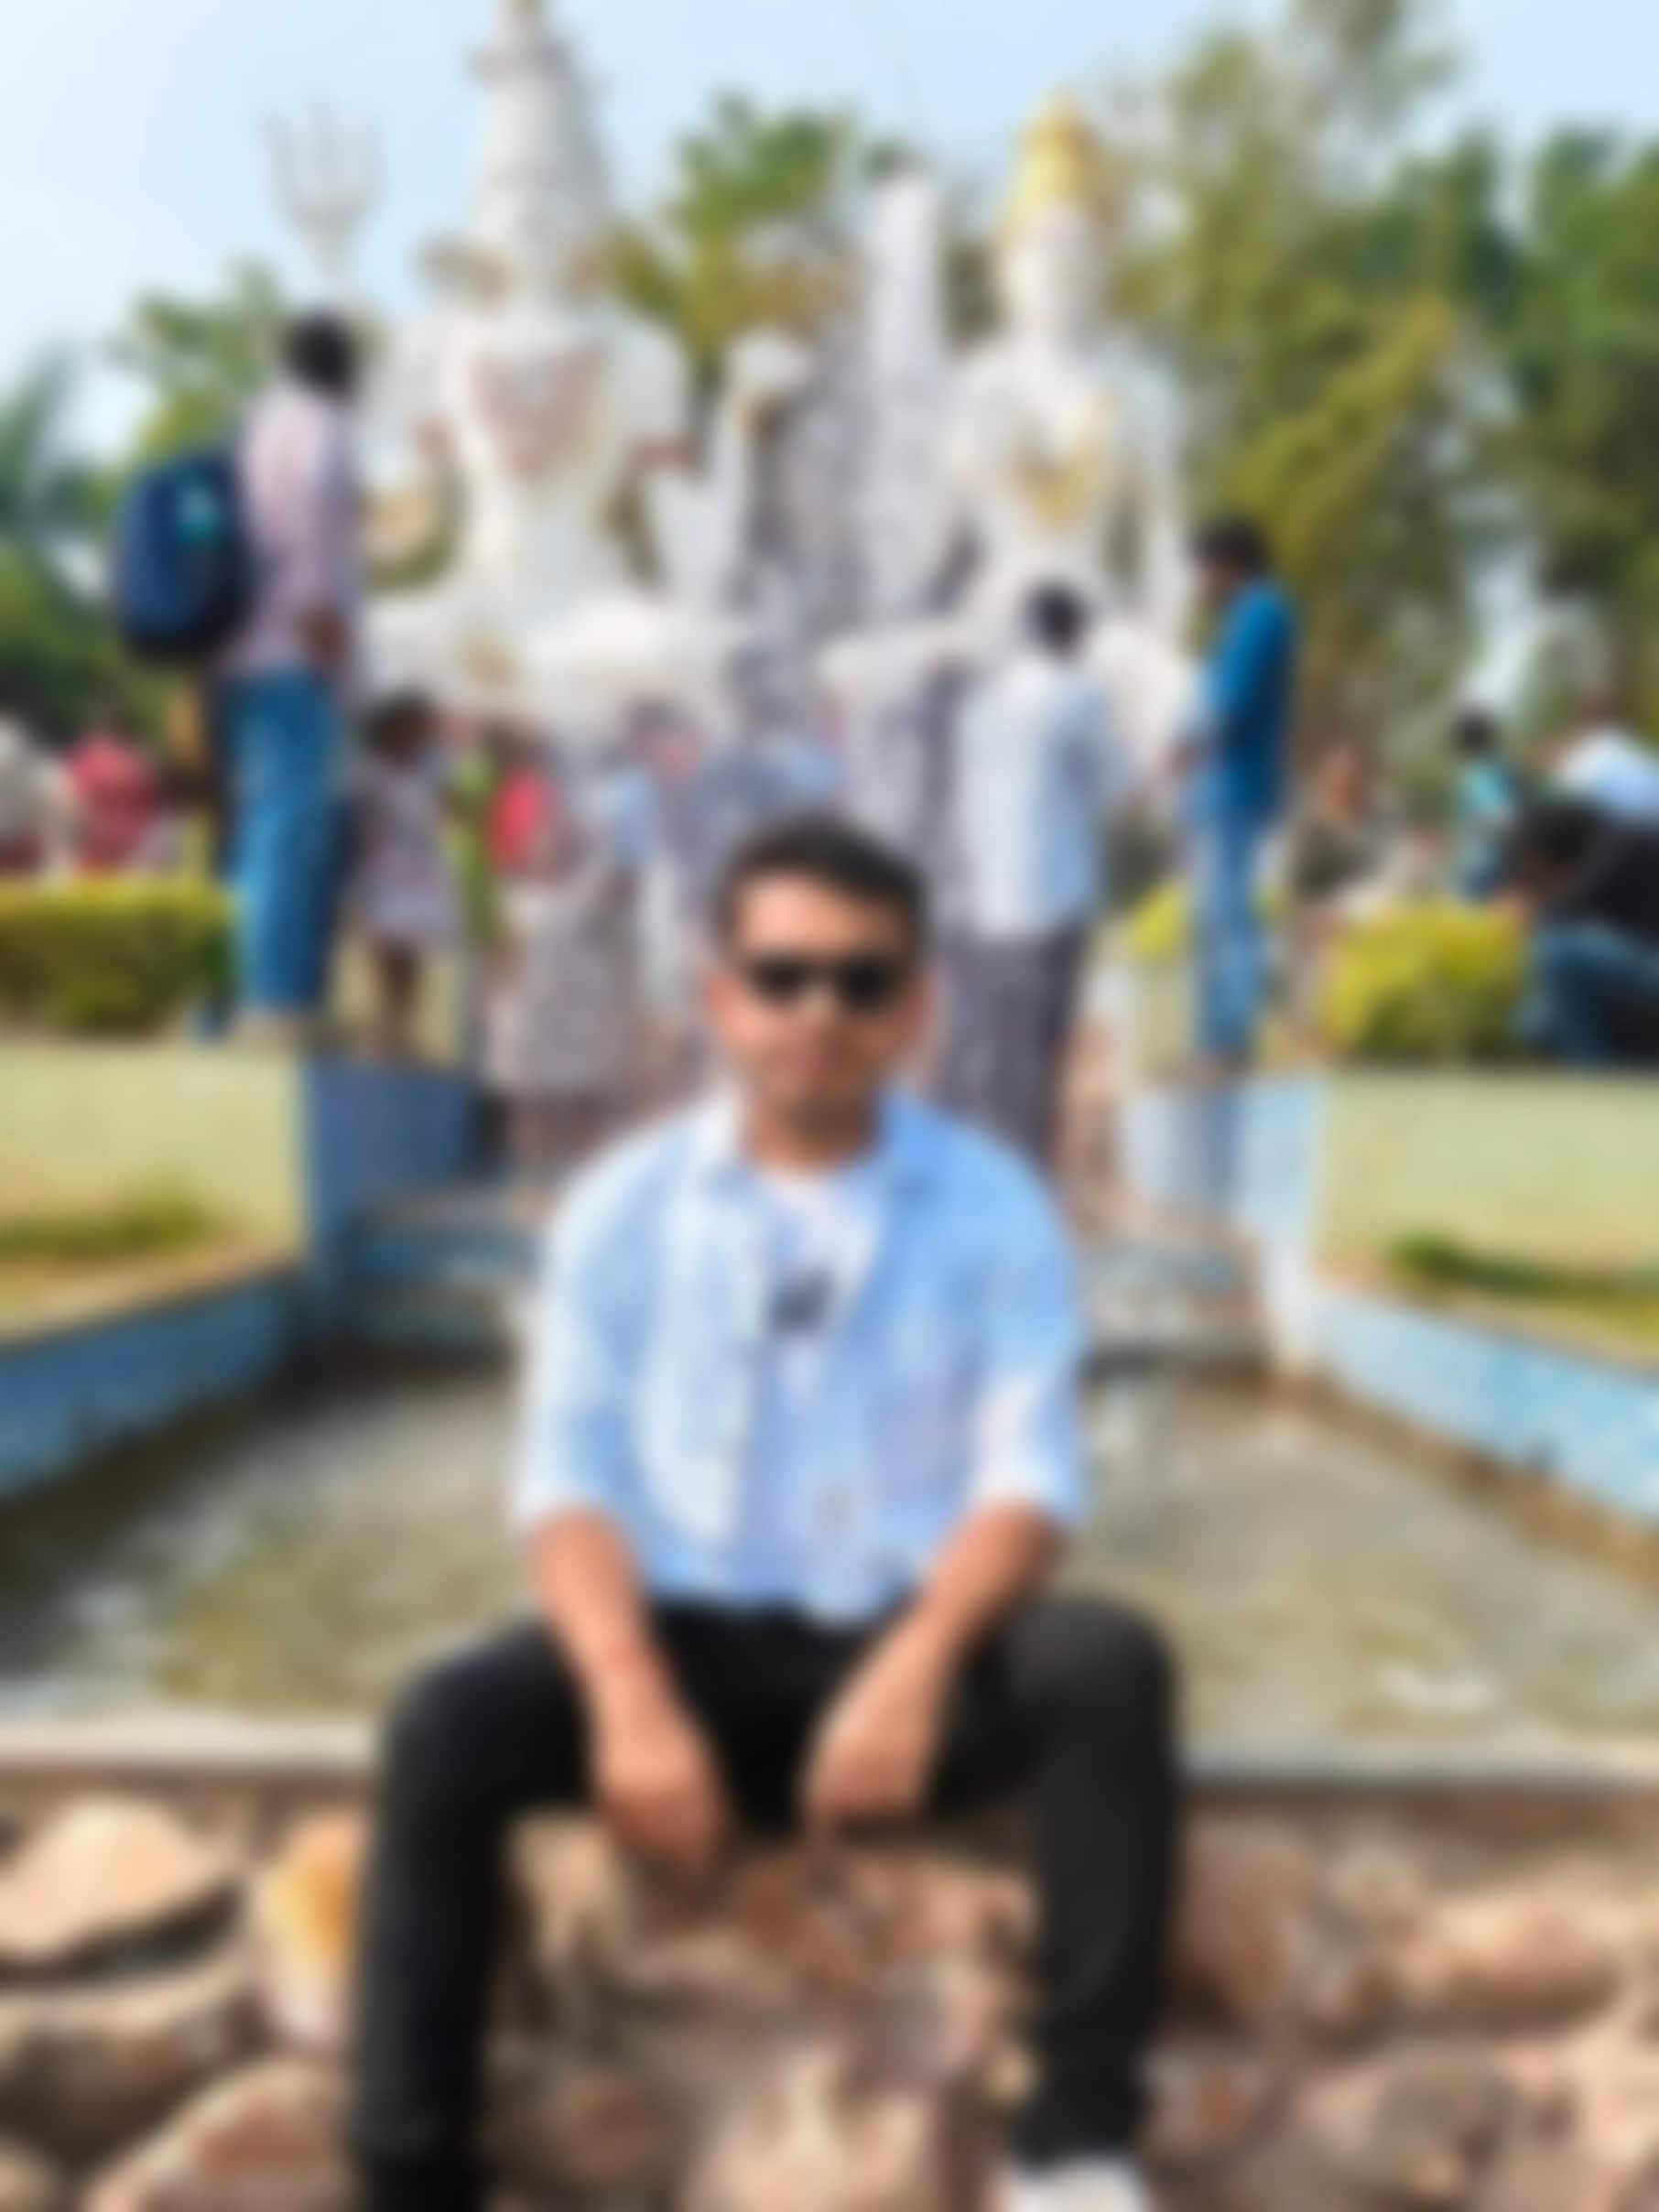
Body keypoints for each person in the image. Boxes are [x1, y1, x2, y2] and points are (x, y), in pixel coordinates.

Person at [351, 816, 1179, 2212]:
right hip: (681, 1657)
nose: (819, 1014)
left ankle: (1076, 2151)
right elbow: (566, 1479)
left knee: (1107, 1666)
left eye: (863, 981)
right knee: (443, 1724)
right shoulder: (621, 1208)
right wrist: (626, 1693)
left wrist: (918, 1664)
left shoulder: (997, 1209)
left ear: (917, 1007)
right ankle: (408, 2180)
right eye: (782, 976)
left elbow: (1032, 1480)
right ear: (719, 996)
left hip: (906, 1663)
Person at [938, 583, 1123, 1168]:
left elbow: (961, 802)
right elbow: (1114, 785)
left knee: (997, 1045)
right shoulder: (1078, 695)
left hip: (989, 904)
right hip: (1056, 897)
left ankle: (993, 1163)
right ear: (1073, 636)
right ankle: (1029, 1168)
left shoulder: (981, 702)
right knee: (1044, 1044)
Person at [215, 312, 363, 1041]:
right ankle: (275, 998)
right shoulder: (321, 426)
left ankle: (250, 992)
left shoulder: (253, 425)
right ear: (344, 369)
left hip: (239, 651)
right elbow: (312, 529)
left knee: (262, 826)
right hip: (296, 649)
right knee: (290, 824)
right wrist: (323, 623)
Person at [484, 749, 643, 1180]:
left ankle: (585, 1185)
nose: (545, 847)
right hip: (530, 1013)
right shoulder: (513, 897)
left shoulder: (594, 887)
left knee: (582, 1105)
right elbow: (503, 955)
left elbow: (621, 884)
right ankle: (530, 1183)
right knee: (532, 1106)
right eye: (538, 842)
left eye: (554, 840)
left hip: (584, 1012)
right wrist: (497, 1006)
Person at [1185, 516, 1298, 1070]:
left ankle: (1228, 1041)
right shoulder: (1250, 614)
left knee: (1228, 919)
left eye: (1203, 569)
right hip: (1225, 788)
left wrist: (1180, 746)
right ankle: (1217, 1039)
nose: (1198, 583)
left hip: (1234, 788)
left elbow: (1228, 707)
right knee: (1217, 919)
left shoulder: (1260, 612)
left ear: (1229, 565)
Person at [1507, 797, 1659, 1067]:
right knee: (1535, 1022)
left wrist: (1529, 909)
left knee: (1559, 949)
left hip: (1649, 960)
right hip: (1638, 963)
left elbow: (1570, 906)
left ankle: (1590, 1070)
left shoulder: (1623, 841)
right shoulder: (1615, 842)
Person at [350, 691, 458, 1060]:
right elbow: (361, 824)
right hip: (381, 871)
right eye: (412, 728)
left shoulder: (429, 772)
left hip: (419, 872)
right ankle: (385, 1029)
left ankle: (403, 1029)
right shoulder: (370, 772)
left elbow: (447, 814)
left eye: (422, 729)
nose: (418, 737)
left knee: (412, 955)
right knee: (385, 955)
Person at [1550, 693, 1659, 829]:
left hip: (1621, 834)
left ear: (1585, 720)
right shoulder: (1643, 754)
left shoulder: (1588, 757)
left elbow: (1560, 798)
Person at [1450, 708, 1522, 899]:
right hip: (1503, 865)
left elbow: (1502, 819)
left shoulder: (1477, 776)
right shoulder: (1503, 770)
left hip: (1482, 867)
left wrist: (1473, 829)